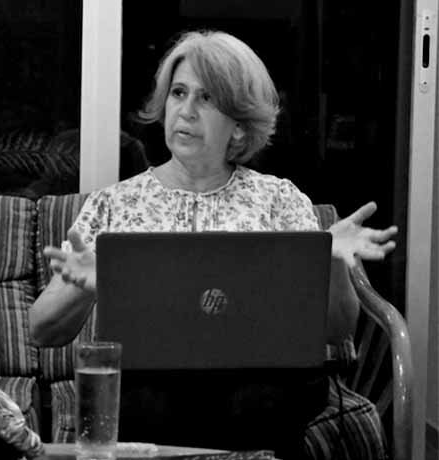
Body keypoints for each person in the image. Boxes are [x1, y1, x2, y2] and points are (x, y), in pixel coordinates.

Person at [29, 30, 397, 459]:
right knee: (153, 402)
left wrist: (330, 261)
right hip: (152, 397)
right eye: (178, 93)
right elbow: (41, 329)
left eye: (206, 98)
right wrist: (86, 287)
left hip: (263, 393)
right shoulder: (114, 204)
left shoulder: (279, 199)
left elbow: (337, 330)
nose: (185, 110)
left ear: (238, 124)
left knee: (266, 397)